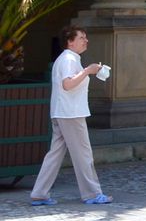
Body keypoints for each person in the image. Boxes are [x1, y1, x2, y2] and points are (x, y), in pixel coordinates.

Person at [29, 27, 110, 206]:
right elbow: (67, 84)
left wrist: (88, 71)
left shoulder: (68, 59)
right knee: (83, 154)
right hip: (71, 113)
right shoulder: (68, 59)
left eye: (85, 37)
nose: (85, 40)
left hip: (64, 112)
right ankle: (92, 194)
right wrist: (88, 71)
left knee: (55, 154)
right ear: (70, 41)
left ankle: (39, 193)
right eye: (81, 37)